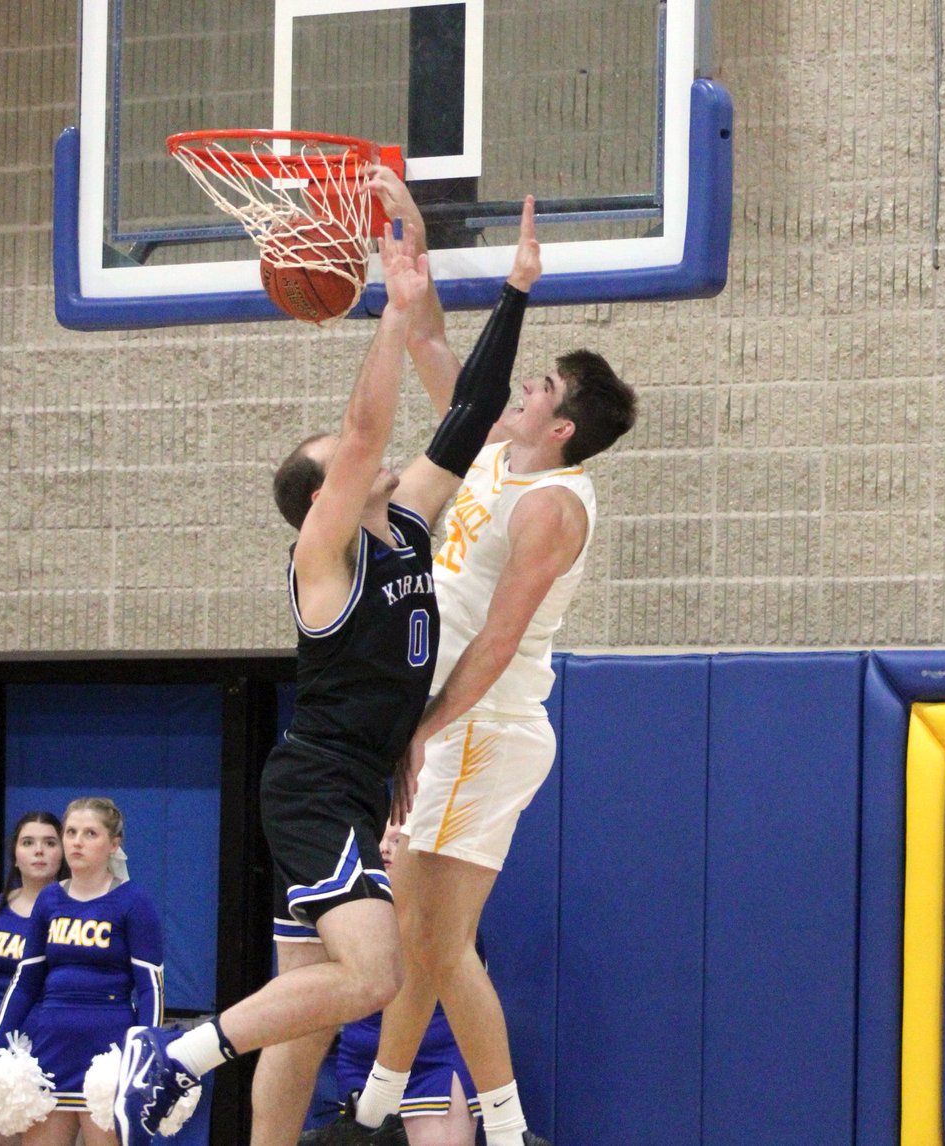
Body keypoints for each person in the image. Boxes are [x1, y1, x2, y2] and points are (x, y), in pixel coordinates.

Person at [112, 205, 543, 1146]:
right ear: (321, 498)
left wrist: (514, 291)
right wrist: (392, 312)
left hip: (355, 784)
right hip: (318, 786)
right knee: (375, 977)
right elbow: (359, 431)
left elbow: (472, 414)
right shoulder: (324, 560)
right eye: (342, 463)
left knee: (306, 1013)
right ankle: (179, 1052)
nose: (371, 458)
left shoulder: (408, 521)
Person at [332, 169, 638, 1146]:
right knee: (419, 934)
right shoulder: (498, 454)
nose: (523, 388)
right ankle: (376, 1109)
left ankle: (505, 1131)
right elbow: (431, 343)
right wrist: (408, 237)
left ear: (562, 427)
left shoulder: (553, 506)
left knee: (438, 939)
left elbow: (501, 639)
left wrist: (423, 729)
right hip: (455, 723)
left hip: (482, 725)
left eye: (540, 387)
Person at [0, 797, 164, 1146]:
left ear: (114, 843)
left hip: (107, 1052)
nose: (77, 842)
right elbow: (25, 982)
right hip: (51, 1048)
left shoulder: (134, 902)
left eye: (90, 833)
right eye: (70, 832)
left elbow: (150, 989)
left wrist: (146, 1054)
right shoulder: (49, 900)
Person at [300, 821, 480, 1146]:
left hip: (435, 1060)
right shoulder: (344, 915)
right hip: (363, 1062)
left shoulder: (449, 911)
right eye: (379, 840)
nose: (384, 848)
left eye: (397, 841)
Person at [0, 811, 69, 1146]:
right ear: (15, 853)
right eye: (28, 842)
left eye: (49, 842)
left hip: (52, 1039)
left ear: (63, 852)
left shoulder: (74, 911)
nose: (39, 850)